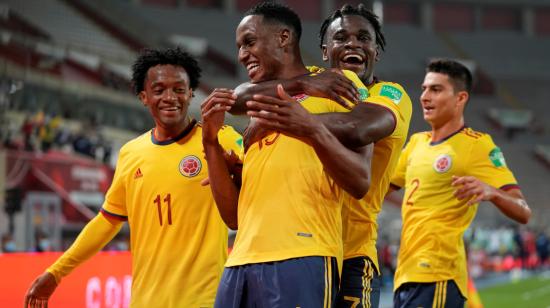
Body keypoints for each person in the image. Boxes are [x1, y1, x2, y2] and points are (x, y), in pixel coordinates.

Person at [23, 47, 243, 308]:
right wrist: (56, 272)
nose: (170, 97)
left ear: (191, 93)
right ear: (144, 97)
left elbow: (260, 191)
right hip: (145, 302)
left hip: (207, 301)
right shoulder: (130, 153)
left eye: (179, 89)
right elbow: (106, 222)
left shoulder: (222, 138)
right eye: (159, 90)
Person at [238, 4, 412, 307]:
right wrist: (301, 83)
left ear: (376, 51)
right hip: (298, 248)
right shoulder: (312, 82)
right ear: (324, 50)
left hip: (352, 253)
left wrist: (281, 122)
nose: (353, 44)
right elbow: (239, 97)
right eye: (341, 38)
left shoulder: (389, 93)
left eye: (363, 38)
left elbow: (357, 127)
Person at [202, 2, 373, 307]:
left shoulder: (339, 87)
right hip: (239, 261)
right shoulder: (258, 111)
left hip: (302, 255)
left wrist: (309, 128)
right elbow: (233, 219)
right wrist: (211, 145)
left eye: (249, 42)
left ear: (283, 38)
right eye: (240, 46)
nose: (242, 55)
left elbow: (361, 182)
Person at [389, 59, 531, 308]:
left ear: (460, 98)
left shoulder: (477, 145)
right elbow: (375, 189)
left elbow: (523, 211)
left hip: (439, 276)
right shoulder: (416, 142)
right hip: (406, 274)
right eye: (424, 88)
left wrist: (493, 192)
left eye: (436, 89)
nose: (424, 96)